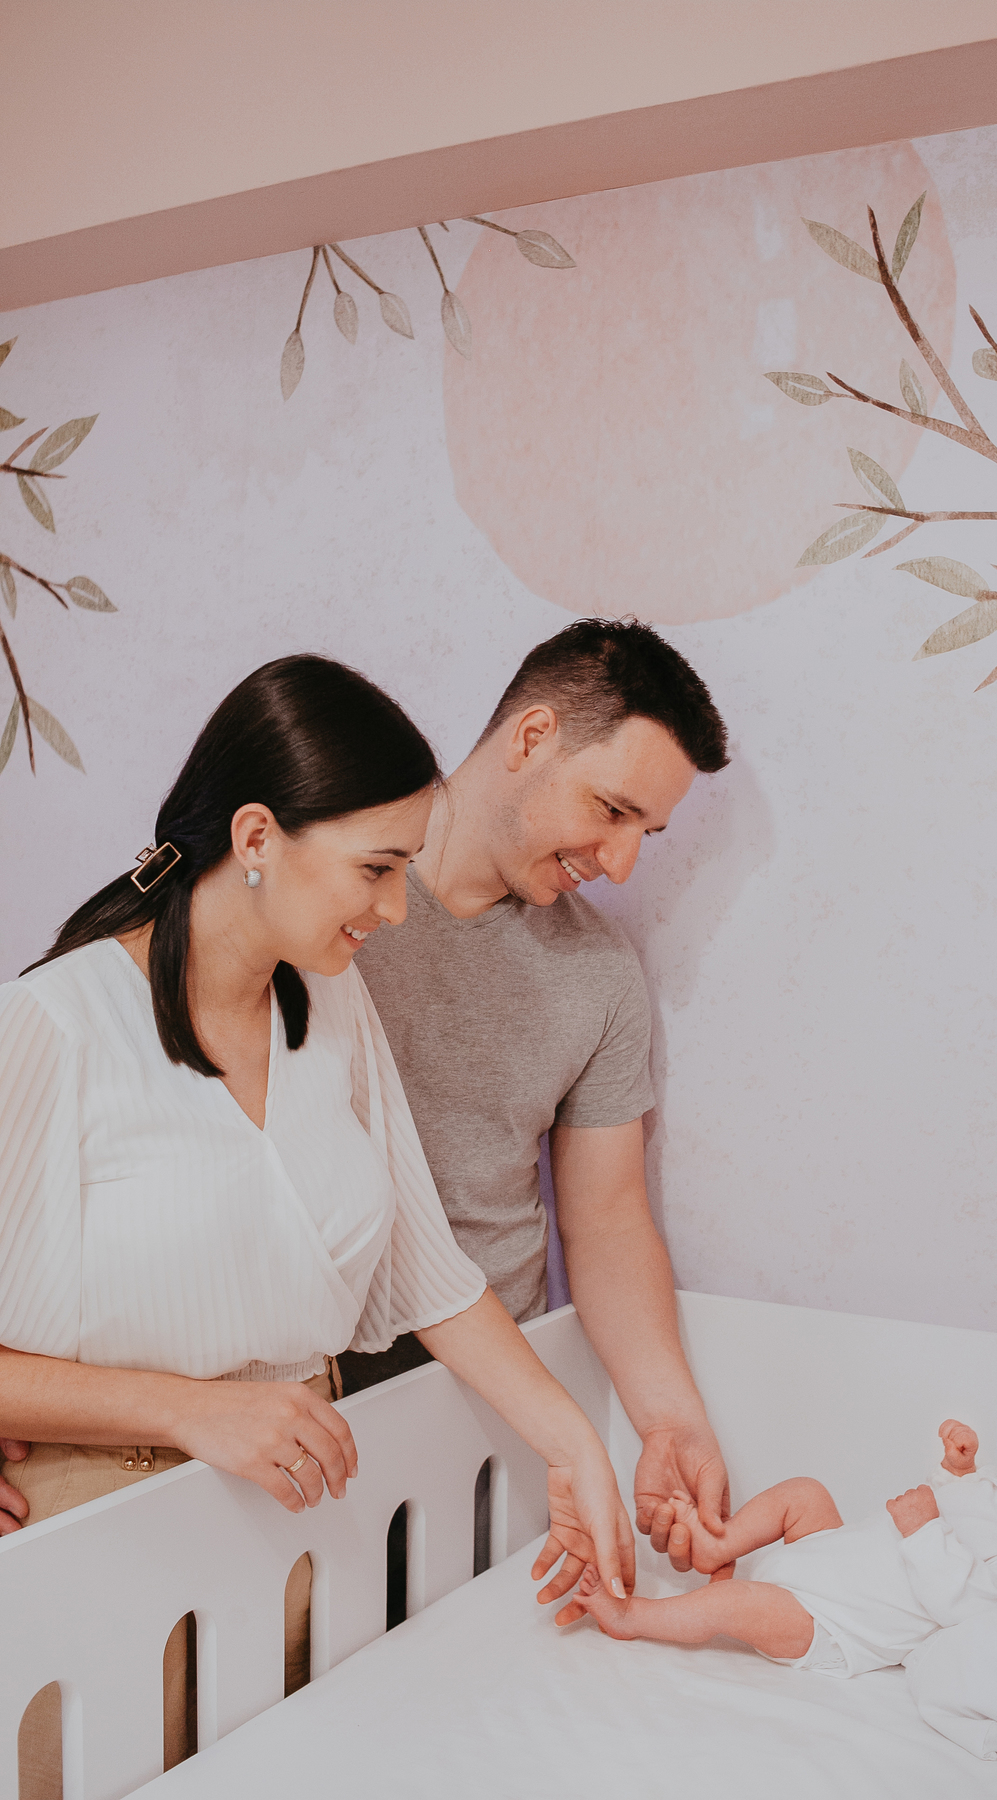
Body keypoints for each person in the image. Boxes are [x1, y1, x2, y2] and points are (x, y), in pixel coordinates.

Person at [0, 655, 634, 1792]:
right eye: (376, 870)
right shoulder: (54, 1028)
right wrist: (190, 1411)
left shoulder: (331, 1010)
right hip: (99, 1523)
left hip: (299, 1515)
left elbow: (425, 1273)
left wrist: (575, 1442)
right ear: (256, 838)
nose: (395, 911)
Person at [349, 618, 733, 1601]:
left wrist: (670, 1421)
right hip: (309, 1378)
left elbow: (604, 1220)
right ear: (528, 739)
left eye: (644, 833)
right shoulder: (334, 893)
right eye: (611, 809)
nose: (619, 864)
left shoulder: (600, 977)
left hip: (485, 1405)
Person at [571, 1407, 997, 1667]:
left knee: (737, 1606)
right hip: (828, 1553)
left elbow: (957, 1600)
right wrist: (956, 1472)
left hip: (833, 1625)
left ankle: (634, 1616)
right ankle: (717, 1546)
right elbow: (956, 1502)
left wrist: (920, 1531)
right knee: (806, 1494)